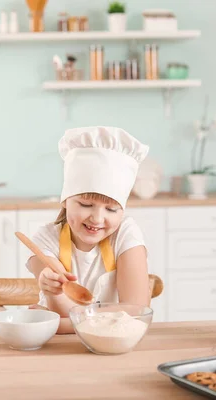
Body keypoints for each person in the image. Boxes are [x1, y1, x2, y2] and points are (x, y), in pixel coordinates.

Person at [26, 126, 150, 334]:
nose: (98, 218)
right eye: (85, 205)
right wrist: (54, 294)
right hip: (59, 349)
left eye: (111, 209)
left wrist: (57, 326)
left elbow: (138, 311)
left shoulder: (125, 233)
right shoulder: (46, 239)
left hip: (112, 343)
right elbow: (65, 311)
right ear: (65, 200)